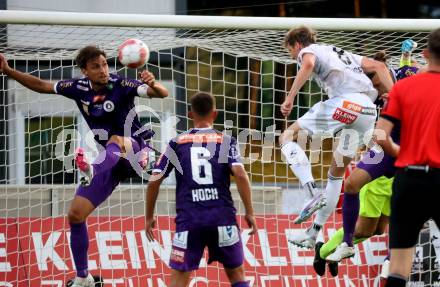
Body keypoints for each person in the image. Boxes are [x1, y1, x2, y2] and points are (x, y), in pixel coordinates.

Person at [0, 46, 169, 287]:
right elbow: (41, 85)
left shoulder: (121, 84)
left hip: (138, 152)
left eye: (104, 64)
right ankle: (83, 277)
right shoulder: (78, 88)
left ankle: (92, 169)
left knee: (116, 141)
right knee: (76, 215)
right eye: (96, 66)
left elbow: (161, 94)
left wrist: (153, 84)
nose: (103, 70)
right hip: (110, 162)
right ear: (84, 71)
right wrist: (7, 70)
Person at [279, 26, 394, 249]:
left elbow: (309, 64)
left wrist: (290, 98)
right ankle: (313, 233)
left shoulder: (308, 51)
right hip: (368, 111)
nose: (293, 56)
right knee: (335, 173)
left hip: (346, 104)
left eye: (290, 51)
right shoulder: (342, 53)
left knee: (286, 137)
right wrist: (397, 95)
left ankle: (311, 192)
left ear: (297, 44)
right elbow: (379, 66)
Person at [145, 92, 257, 287]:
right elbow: (240, 175)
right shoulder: (226, 141)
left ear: (190, 114)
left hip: (190, 221)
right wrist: (250, 211)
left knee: (179, 278)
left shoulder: (177, 143)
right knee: (237, 274)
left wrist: (149, 216)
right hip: (222, 219)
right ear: (215, 114)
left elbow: (154, 180)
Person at [326, 52, 419, 262]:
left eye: (373, 79)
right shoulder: (370, 95)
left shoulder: (409, 74)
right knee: (351, 184)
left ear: (382, 70)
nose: (372, 86)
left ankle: (391, 260)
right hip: (383, 150)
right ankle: (346, 244)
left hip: (411, 151)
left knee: (403, 213)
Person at [375, 28, 440, 287]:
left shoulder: (403, 88)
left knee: (399, 268)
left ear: (424, 54)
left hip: (408, 179)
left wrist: (399, 152)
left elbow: (380, 135)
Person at [313, 176, 393, 277]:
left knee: (379, 229)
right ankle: (322, 251)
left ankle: (334, 250)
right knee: (362, 230)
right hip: (378, 184)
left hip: (394, 183)